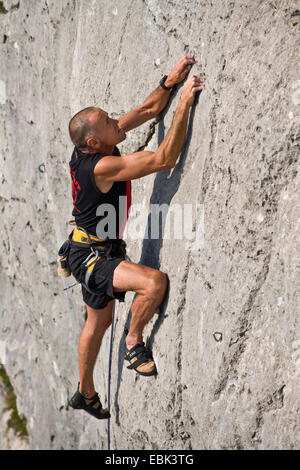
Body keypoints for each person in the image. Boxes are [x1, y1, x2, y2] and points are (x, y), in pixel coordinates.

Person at [67, 55, 205, 419]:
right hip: (95, 257)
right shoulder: (103, 165)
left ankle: (85, 391)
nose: (118, 120)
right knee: (153, 283)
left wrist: (169, 83)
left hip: (87, 245)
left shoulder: (90, 145)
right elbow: (164, 159)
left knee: (98, 322)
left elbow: (145, 110)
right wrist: (185, 105)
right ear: (95, 142)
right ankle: (134, 341)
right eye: (111, 122)